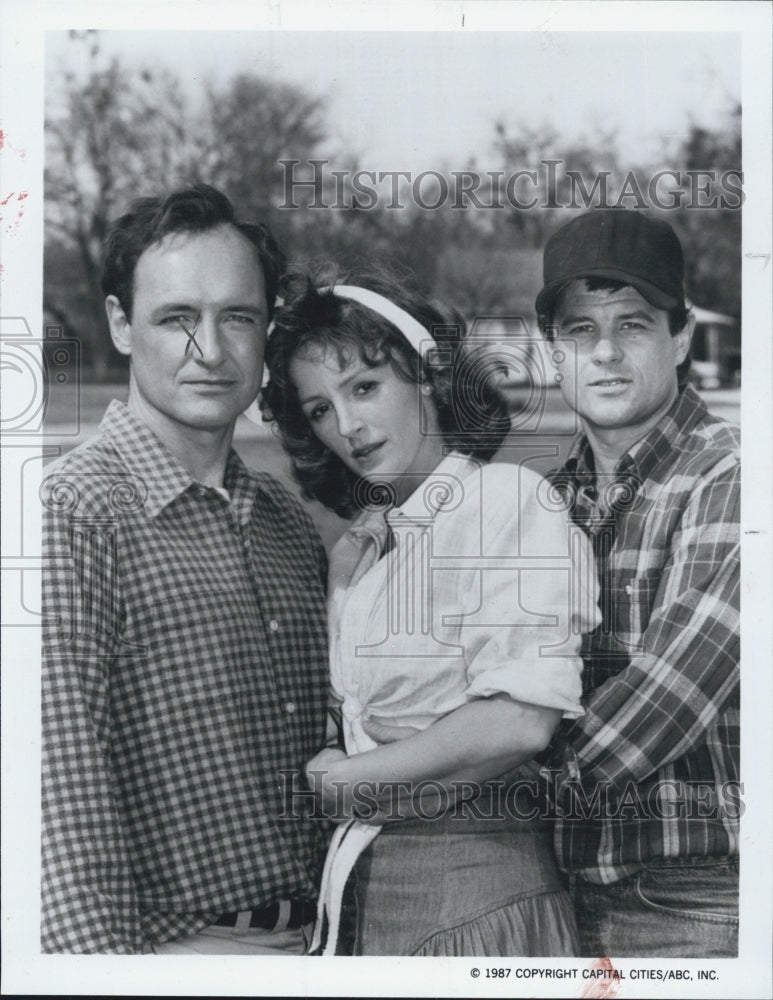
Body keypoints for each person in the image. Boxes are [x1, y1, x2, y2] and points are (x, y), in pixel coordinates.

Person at [261, 270, 600, 956]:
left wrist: (341, 781)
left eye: (363, 387)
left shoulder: (502, 499)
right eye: (319, 408)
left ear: (427, 377)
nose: (347, 426)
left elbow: (518, 719)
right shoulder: (368, 545)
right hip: (371, 904)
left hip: (477, 910)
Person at [41, 185, 329, 954]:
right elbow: (62, 795)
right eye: (176, 318)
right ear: (119, 325)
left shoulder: (285, 523)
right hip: (176, 953)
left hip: (324, 942)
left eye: (237, 317)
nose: (210, 349)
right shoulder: (72, 513)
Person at [535, 209, 741, 957]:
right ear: (551, 351)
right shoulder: (542, 500)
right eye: (579, 330)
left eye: (633, 324)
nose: (606, 353)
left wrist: (461, 778)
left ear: (680, 337)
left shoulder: (733, 475)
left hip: (696, 900)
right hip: (560, 899)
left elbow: (663, 703)